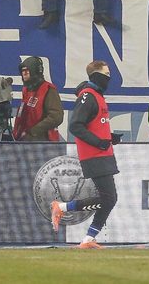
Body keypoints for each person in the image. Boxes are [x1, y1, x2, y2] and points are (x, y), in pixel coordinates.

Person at [50, 61, 121, 249]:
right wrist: (99, 142)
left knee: (109, 198)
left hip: (102, 154)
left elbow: (91, 125)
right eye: (106, 74)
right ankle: (63, 209)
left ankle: (88, 239)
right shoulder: (88, 96)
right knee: (109, 198)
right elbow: (75, 125)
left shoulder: (96, 96)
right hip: (95, 155)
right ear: (97, 75)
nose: (109, 77)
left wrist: (109, 137)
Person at [12, 56, 63, 141]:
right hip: (25, 138)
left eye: (27, 70)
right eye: (22, 71)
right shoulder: (26, 89)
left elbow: (56, 117)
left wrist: (34, 131)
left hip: (43, 140)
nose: (24, 73)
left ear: (35, 71)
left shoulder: (48, 89)